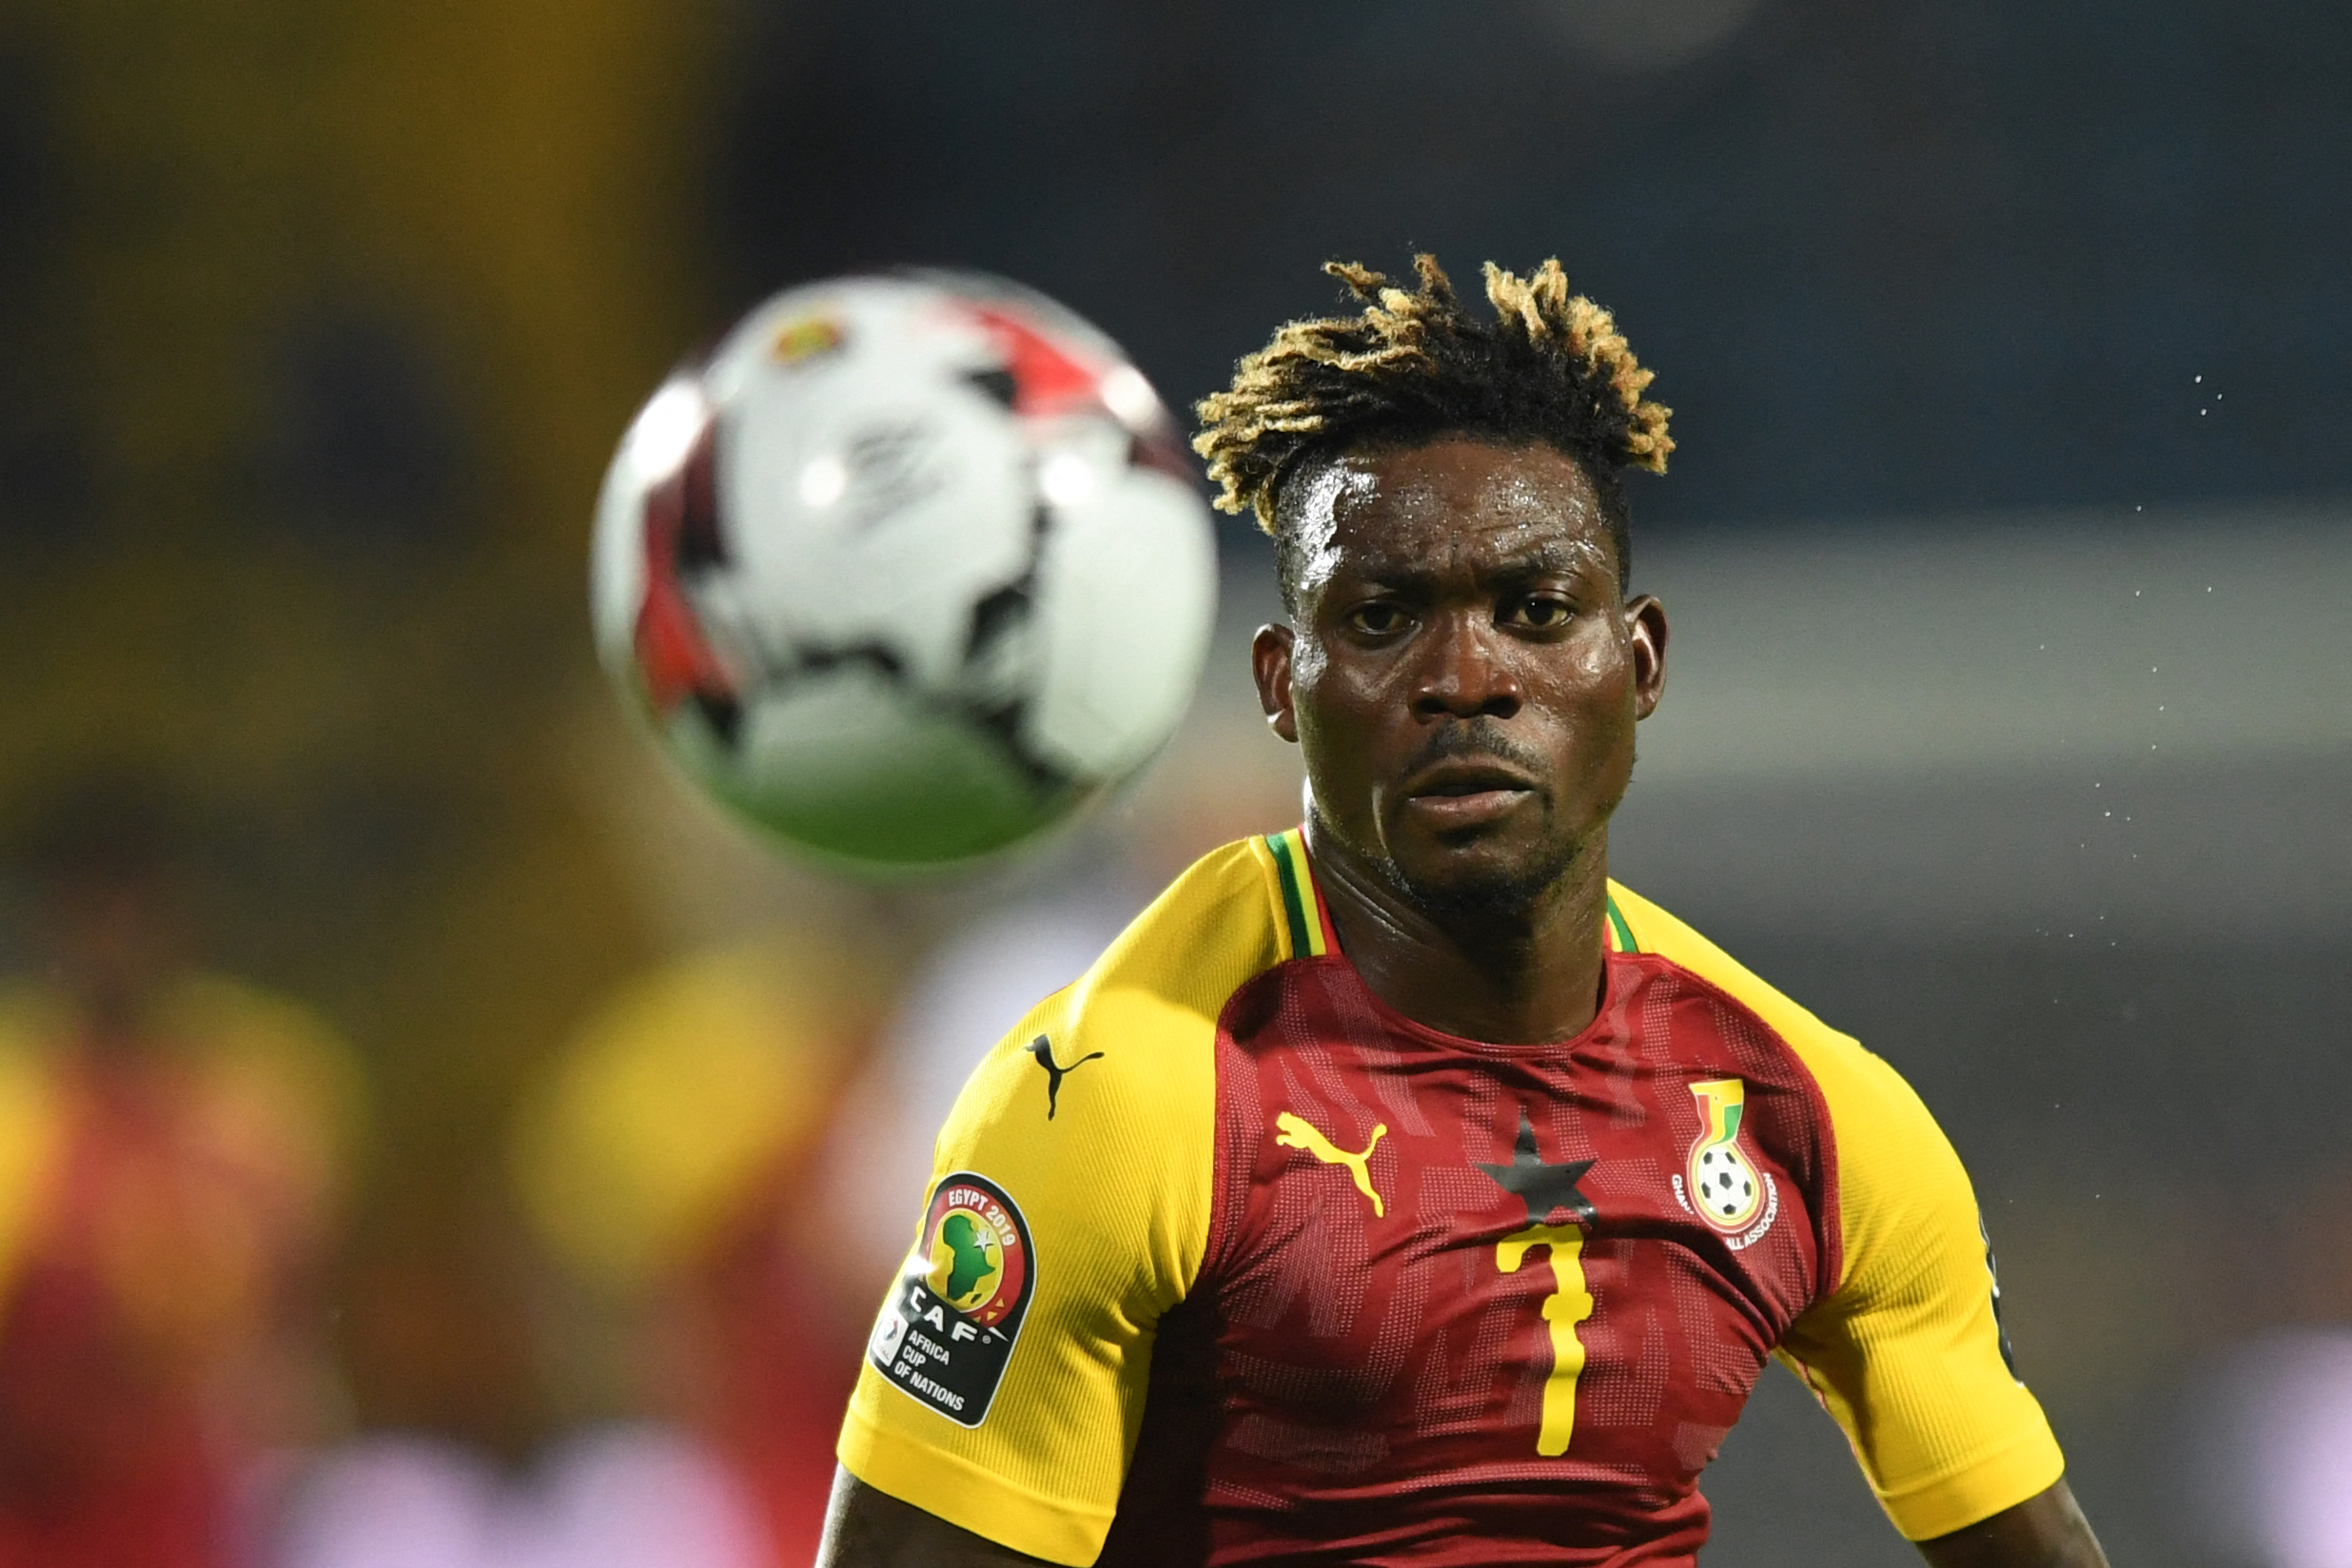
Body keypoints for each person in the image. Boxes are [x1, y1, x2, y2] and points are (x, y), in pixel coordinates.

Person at [815, 257, 2108, 1568]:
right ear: (1283, 683)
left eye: (1536, 612)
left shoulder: (1811, 1118)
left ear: (1640, 661)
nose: (1466, 678)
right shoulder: (1125, 1097)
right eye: (1382, 618)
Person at [0, 775, 363, 1568]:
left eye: (141, 906)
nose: (118, 938)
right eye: (92, 911)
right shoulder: (18, 1103)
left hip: (216, 1522)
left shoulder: (268, 1087)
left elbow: (298, 1333)